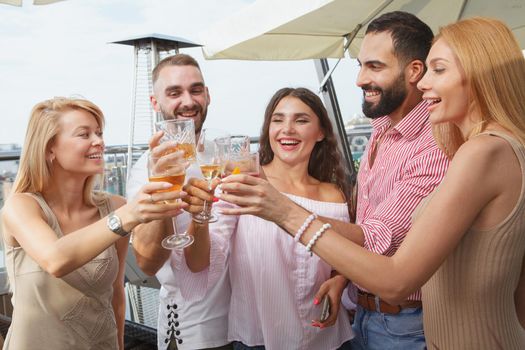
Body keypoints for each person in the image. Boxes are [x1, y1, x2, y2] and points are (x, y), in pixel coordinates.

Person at [218, 17, 525, 349]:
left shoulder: (480, 151)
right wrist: (343, 277)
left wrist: (282, 210)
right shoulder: (395, 131)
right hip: (382, 320)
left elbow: (391, 268)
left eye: (438, 70)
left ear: (478, 73)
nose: (423, 84)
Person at [1, 97, 184, 350]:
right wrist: (127, 216)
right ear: (49, 148)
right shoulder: (21, 206)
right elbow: (55, 259)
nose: (98, 141)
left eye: (98, 132)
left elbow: (116, 295)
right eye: (83, 134)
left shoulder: (115, 207)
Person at [181, 87, 354, 350]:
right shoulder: (242, 184)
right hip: (259, 339)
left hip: (328, 339)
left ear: (321, 133)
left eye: (301, 120)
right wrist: (200, 218)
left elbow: (348, 255)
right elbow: (198, 263)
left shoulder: (334, 195)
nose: (287, 129)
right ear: (268, 130)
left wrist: (341, 278)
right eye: (278, 119)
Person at [126, 54, 232, 350]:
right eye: (174, 92)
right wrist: (160, 188)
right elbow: (147, 263)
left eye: (195, 90)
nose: (188, 101)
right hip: (197, 332)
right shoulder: (146, 171)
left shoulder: (222, 155)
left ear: (208, 95)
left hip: (249, 324)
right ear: (155, 102)